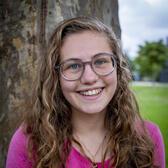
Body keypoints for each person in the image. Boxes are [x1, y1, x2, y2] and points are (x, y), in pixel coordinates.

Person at [6, 17, 165, 168]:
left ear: (117, 68)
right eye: (73, 66)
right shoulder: (30, 142)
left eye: (101, 61)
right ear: (56, 77)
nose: (89, 78)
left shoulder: (147, 137)